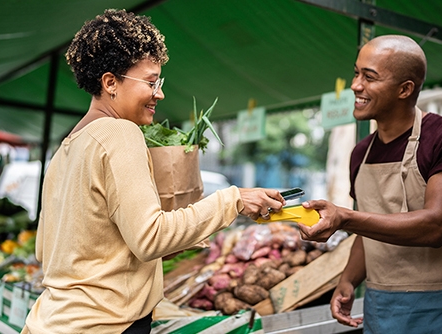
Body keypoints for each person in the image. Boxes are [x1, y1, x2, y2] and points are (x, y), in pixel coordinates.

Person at [22, 9, 284, 333]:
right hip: (106, 325)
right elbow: (149, 238)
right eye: (150, 82)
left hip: (53, 321)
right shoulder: (120, 133)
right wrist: (232, 201)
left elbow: (45, 250)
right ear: (110, 83)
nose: (159, 93)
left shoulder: (66, 149)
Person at [299, 35, 442, 333]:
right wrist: (349, 280)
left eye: (369, 77)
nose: (355, 85)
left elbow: (435, 226)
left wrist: (345, 217)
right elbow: (369, 230)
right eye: (356, 72)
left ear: (405, 89)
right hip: (383, 309)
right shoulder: (360, 154)